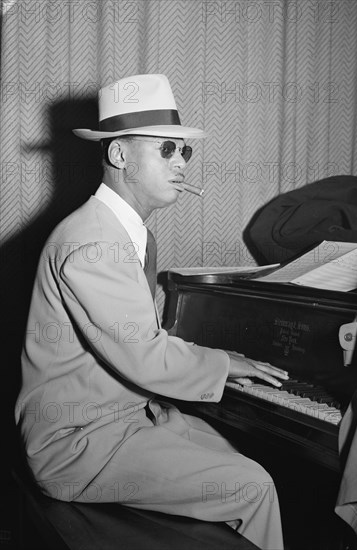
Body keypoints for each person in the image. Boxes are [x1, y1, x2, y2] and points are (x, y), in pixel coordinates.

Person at [15, 74, 287, 550]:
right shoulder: (93, 243)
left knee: (234, 453)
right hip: (76, 443)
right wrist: (225, 364)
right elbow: (144, 356)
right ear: (119, 156)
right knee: (252, 485)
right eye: (166, 149)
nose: (181, 162)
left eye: (185, 151)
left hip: (124, 417)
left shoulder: (128, 233)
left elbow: (140, 343)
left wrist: (216, 365)